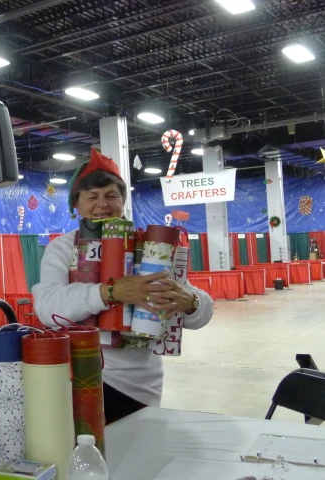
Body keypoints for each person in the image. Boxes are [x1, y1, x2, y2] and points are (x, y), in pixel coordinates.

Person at [31, 149, 214, 424]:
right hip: (81, 374)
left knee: (138, 454)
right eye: (92, 197)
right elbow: (47, 307)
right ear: (76, 206)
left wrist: (191, 302)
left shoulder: (151, 246)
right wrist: (111, 292)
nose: (102, 204)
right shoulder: (63, 248)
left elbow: (196, 306)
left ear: (123, 202)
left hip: (143, 382)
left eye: (111, 196)